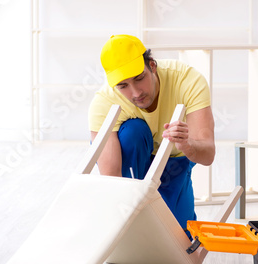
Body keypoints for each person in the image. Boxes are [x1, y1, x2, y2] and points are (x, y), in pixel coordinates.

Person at [88, 35, 215, 238]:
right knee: (133, 132)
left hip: (175, 161)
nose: (136, 92)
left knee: (180, 240)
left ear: (153, 66)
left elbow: (208, 154)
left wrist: (187, 144)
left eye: (139, 78)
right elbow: (112, 179)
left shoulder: (187, 80)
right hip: (134, 162)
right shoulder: (104, 102)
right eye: (123, 86)